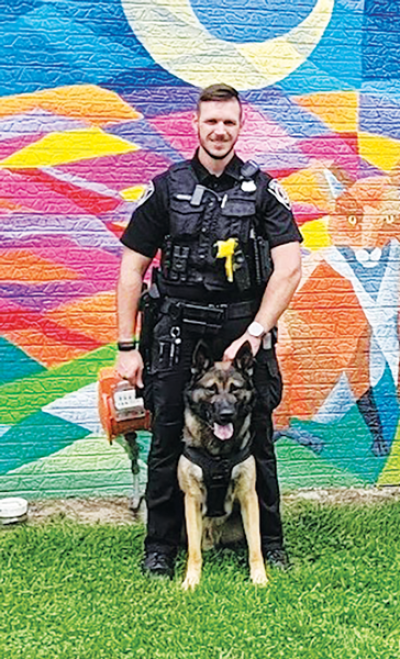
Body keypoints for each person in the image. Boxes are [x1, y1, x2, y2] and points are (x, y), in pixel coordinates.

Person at [116, 83, 302, 578]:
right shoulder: (166, 188)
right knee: (167, 437)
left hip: (243, 328)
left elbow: (288, 267)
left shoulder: (262, 189)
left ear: (240, 128)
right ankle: (160, 547)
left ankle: (271, 544)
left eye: (229, 123)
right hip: (177, 329)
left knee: (258, 435)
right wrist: (126, 346)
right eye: (211, 122)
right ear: (195, 126)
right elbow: (131, 268)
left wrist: (259, 330)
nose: (219, 131)